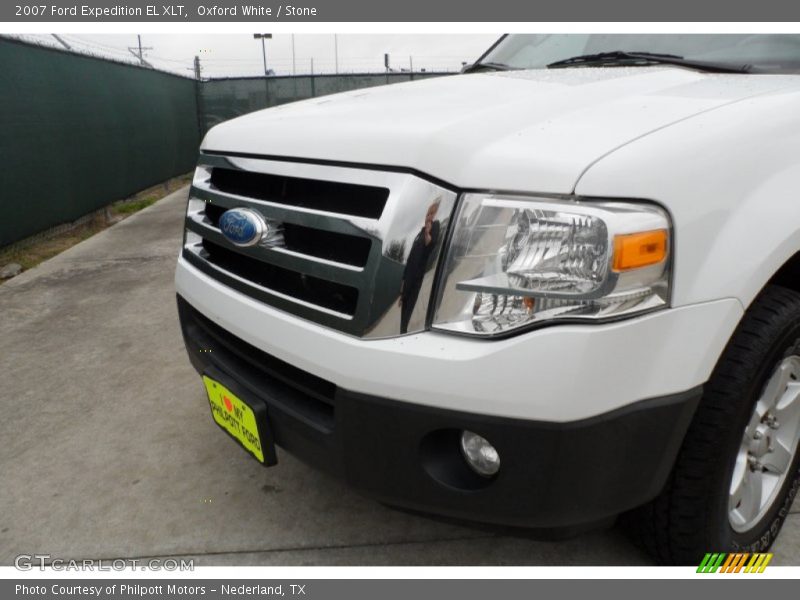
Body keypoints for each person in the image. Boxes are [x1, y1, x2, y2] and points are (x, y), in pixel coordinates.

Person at [398, 201, 441, 333]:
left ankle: (403, 332)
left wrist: (428, 232)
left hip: (417, 276)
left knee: (409, 308)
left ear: (435, 215)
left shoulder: (435, 226)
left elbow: (430, 244)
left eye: (432, 213)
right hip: (408, 276)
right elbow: (410, 257)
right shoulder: (419, 232)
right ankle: (402, 331)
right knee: (403, 306)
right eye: (428, 213)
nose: (429, 216)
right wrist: (402, 285)